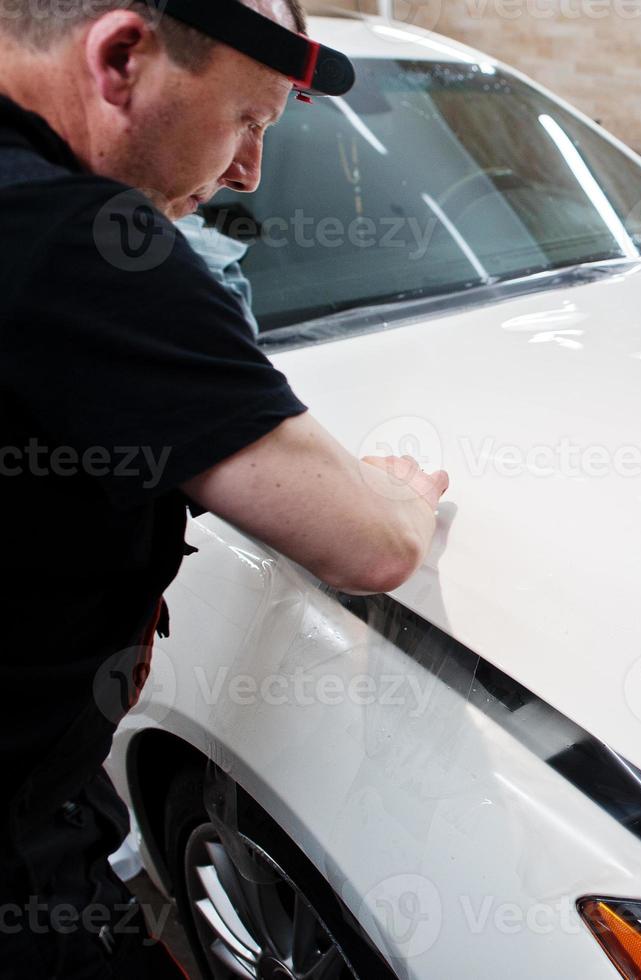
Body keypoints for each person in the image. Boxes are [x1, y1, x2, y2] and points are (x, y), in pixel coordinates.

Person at [0, 2, 450, 975]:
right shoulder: (78, 245)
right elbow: (374, 545)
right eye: (248, 121)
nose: (248, 171)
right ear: (122, 56)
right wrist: (404, 493)